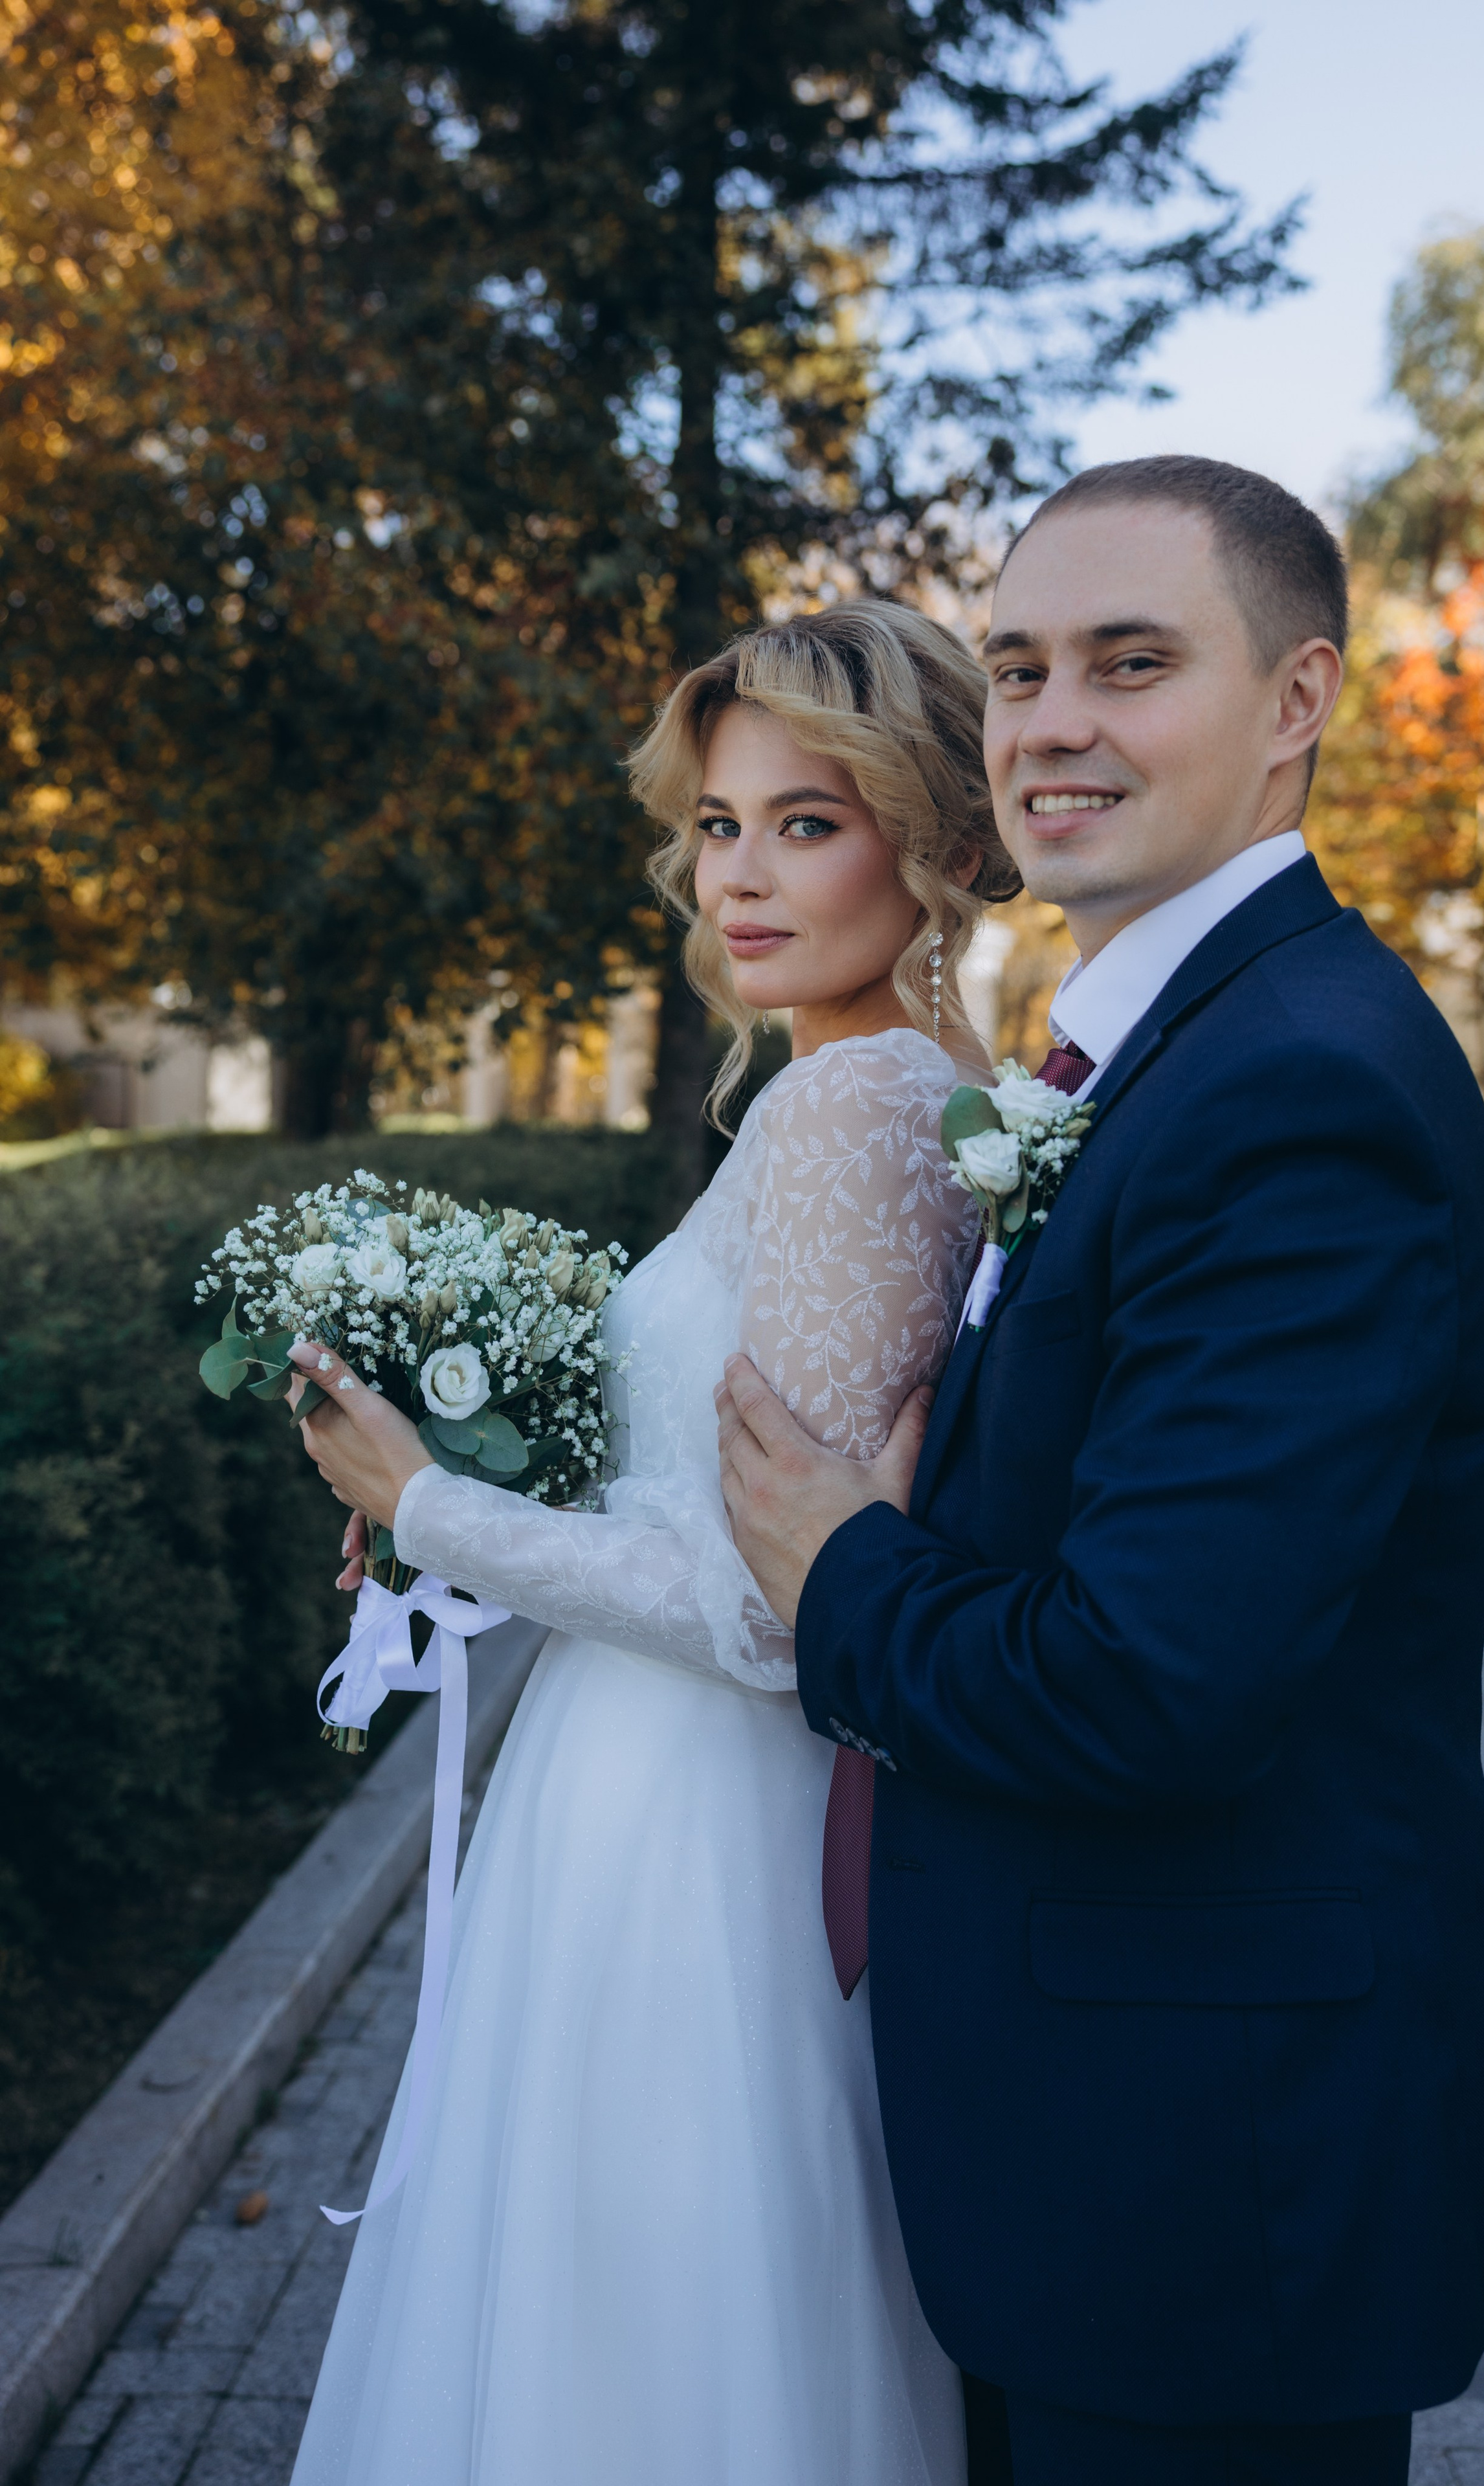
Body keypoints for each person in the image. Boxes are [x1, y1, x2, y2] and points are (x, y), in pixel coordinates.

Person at [718, 455, 1484, 2486]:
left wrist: (839, 1565)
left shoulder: (1301, 1089)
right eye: (1017, 670)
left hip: (1205, 2180)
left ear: (1297, 700)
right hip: (1109, 2147)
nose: (1051, 723)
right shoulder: (1164, 1047)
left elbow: (1147, 1683)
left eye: (1132, 662)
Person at [283, 599, 1020, 2486]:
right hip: (665, 1794)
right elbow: (724, 1505)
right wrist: (477, 1506)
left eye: (806, 823)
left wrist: (427, 1501)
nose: (739, 877)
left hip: (704, 1831)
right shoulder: (880, 1082)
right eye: (717, 825)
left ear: (931, 840)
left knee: (639, 2337)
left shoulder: (859, 1103)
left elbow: (770, 1610)